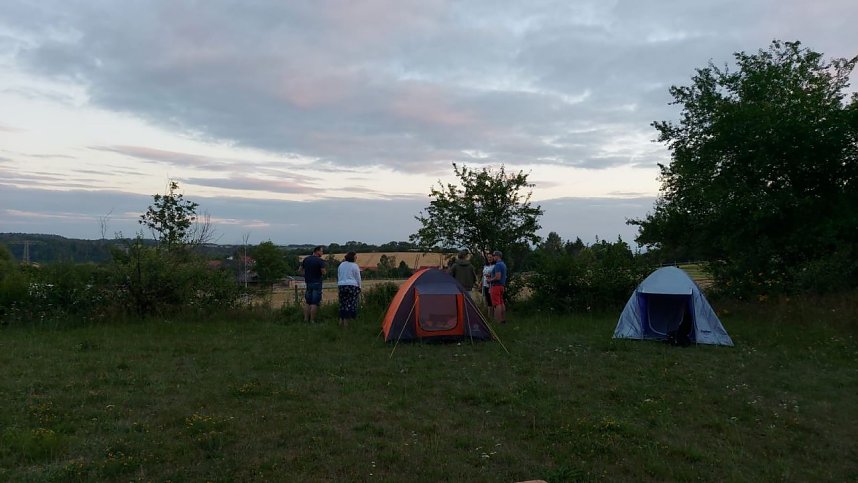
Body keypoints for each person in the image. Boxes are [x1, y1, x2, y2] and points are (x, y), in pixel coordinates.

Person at [299, 245, 326, 323]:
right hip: (317, 283)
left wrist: (306, 275)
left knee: (308, 302)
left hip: (308, 283)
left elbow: (300, 270)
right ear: (317, 251)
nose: (322, 252)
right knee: (314, 303)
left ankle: (305, 319)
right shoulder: (320, 260)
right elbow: (323, 272)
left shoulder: (306, 259)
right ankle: (312, 320)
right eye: (321, 251)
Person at [337, 251, 362, 328]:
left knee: (343, 304)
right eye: (355, 256)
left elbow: (339, 275)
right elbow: (358, 277)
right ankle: (346, 324)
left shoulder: (341, 265)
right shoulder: (354, 266)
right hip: (352, 286)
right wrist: (359, 286)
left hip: (341, 285)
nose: (356, 258)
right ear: (353, 257)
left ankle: (340, 322)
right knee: (350, 305)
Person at [489, 250, 507, 323]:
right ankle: (503, 319)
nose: (493, 257)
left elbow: (497, 277)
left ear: (497, 256)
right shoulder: (503, 264)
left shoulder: (498, 265)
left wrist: (490, 280)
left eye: (493, 255)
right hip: (502, 286)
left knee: (497, 304)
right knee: (501, 302)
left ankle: (498, 321)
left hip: (496, 286)